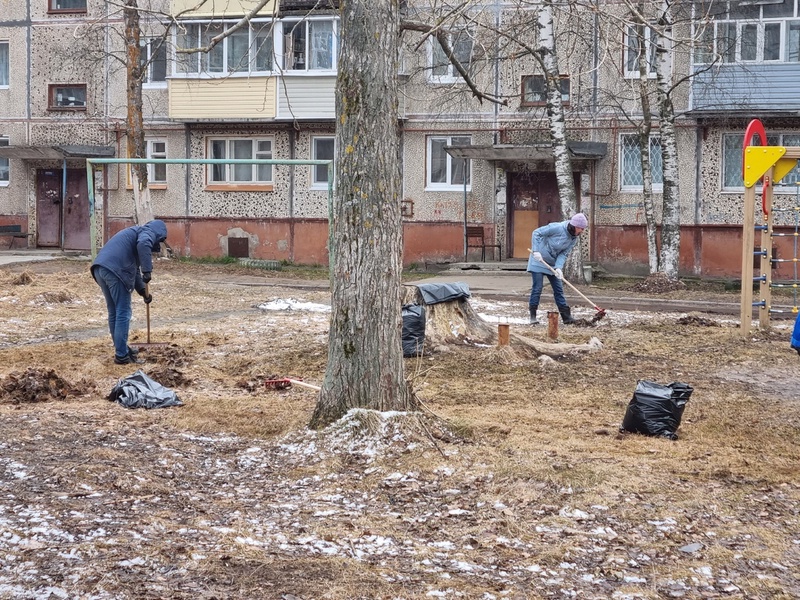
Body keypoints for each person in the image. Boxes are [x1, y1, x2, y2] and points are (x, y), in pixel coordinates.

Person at [91, 220, 168, 364]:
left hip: (100, 269)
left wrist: (143, 292)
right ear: (159, 233)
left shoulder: (134, 235)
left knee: (114, 311)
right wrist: (147, 270)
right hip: (115, 270)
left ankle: (122, 348)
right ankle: (121, 355)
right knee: (123, 312)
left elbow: (134, 271)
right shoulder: (147, 233)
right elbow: (144, 243)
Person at [527, 213, 588, 325]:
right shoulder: (557, 227)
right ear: (574, 225)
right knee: (537, 288)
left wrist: (559, 268)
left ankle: (566, 317)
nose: (582, 231)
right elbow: (536, 233)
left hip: (552, 264)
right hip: (538, 260)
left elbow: (563, 254)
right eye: (581, 228)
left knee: (558, 289)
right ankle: (533, 316)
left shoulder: (573, 239)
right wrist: (536, 250)